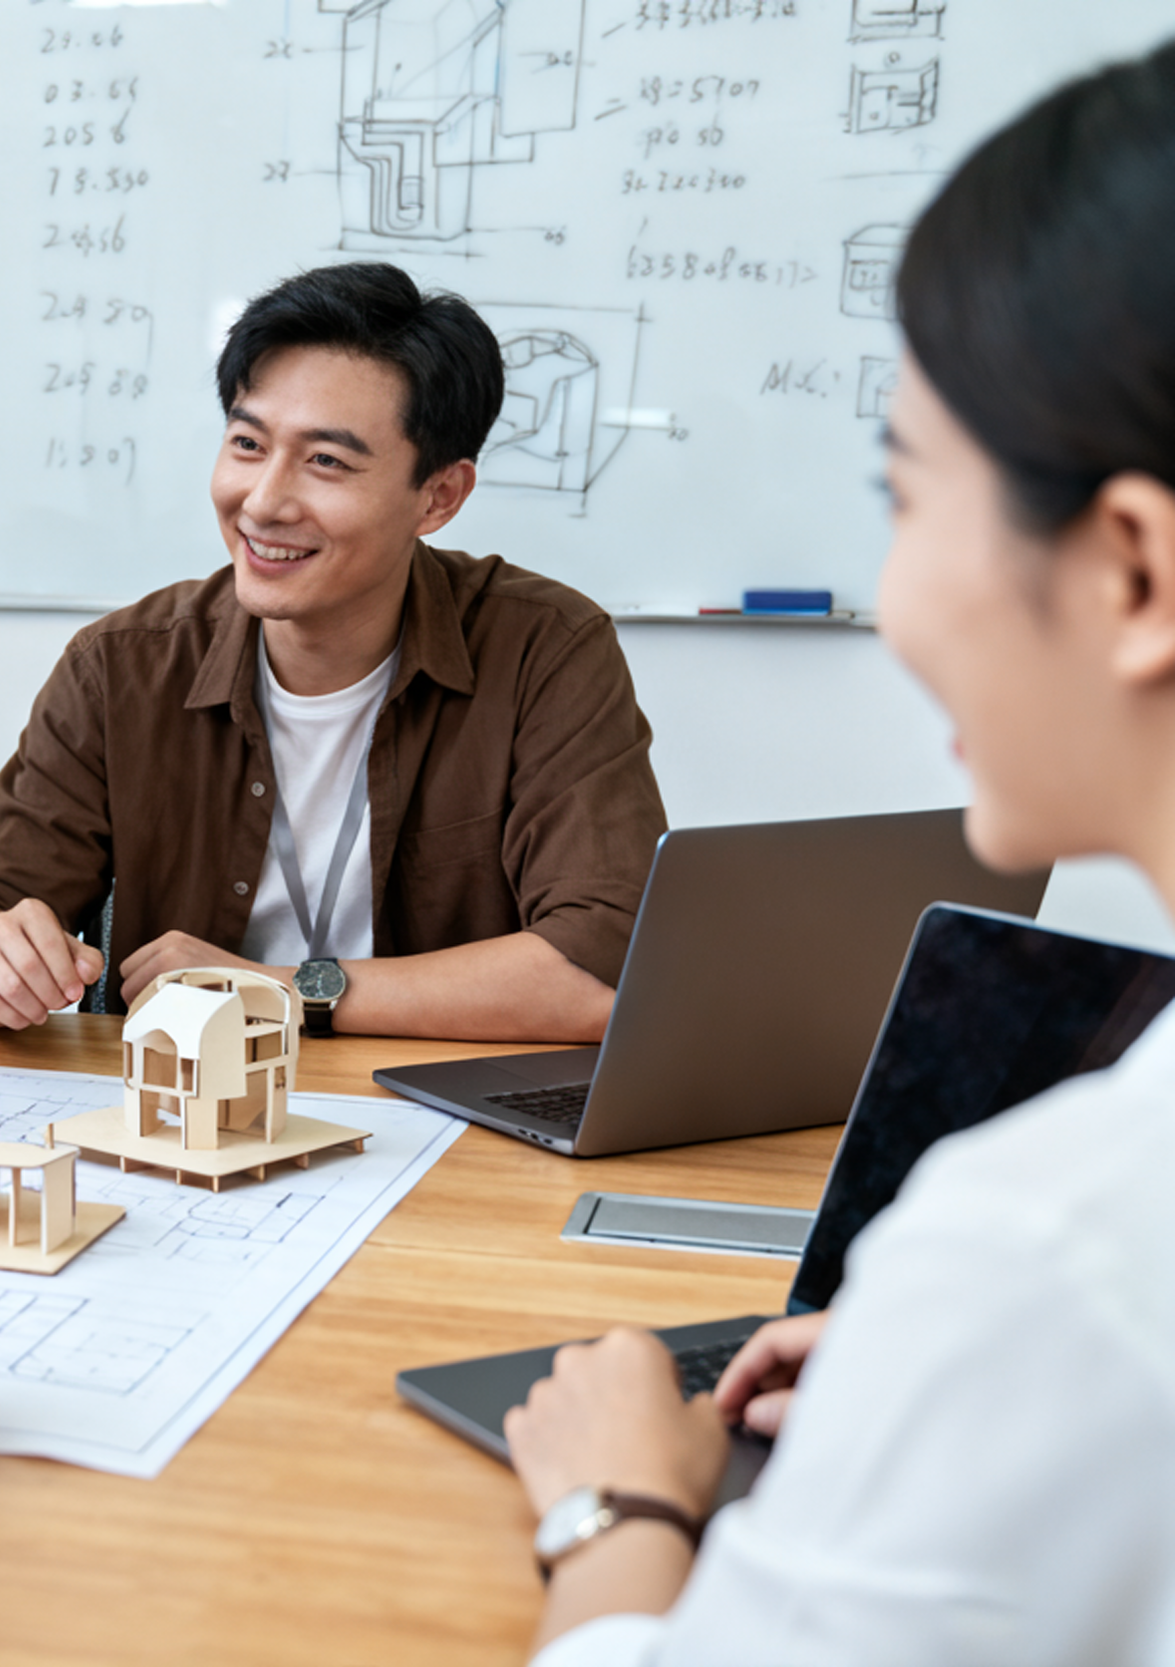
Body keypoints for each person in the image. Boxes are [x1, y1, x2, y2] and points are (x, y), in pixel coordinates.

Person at [503, 39, 1175, 1665]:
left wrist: (612, 1508)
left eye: (904, 493)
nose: (898, 601)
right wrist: (932, 1395)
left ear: (1133, 574)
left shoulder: (1050, 1246)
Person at [0, 263, 665, 1042]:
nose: (264, 502)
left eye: (327, 462)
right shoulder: (122, 665)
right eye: (248, 443)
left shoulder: (544, 649)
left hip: (435, 1121)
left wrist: (282, 990)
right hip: (182, 1122)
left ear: (439, 496)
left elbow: (603, 973)